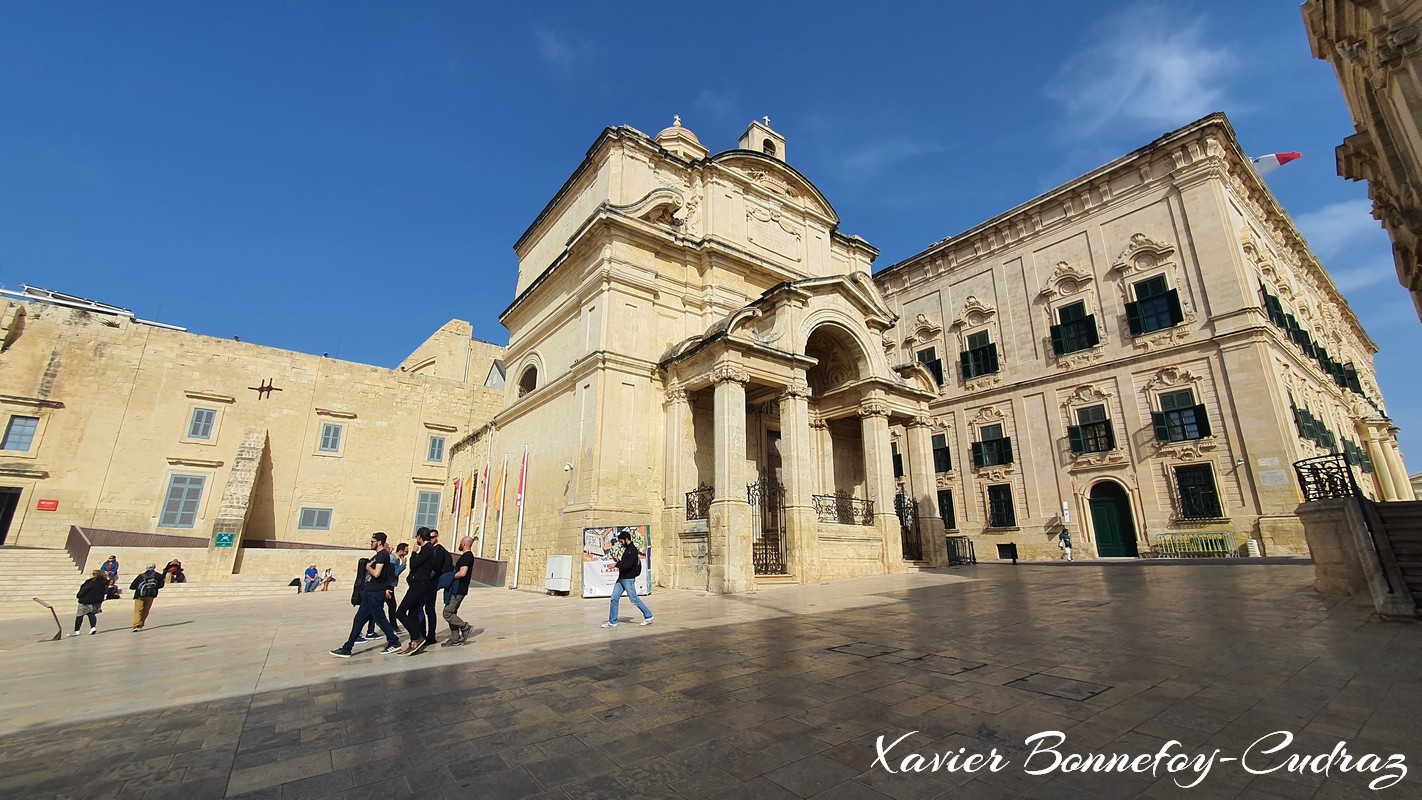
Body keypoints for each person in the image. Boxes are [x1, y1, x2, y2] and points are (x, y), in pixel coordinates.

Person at [330, 533, 402, 658]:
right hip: (370, 593)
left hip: (375, 593)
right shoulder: (377, 555)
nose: (371, 543)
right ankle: (347, 648)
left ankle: (394, 642)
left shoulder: (382, 555)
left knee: (380, 619)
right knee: (359, 620)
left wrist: (368, 567)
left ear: (379, 542)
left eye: (373, 541)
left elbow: (377, 573)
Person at [396, 528, 441, 655]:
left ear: (420, 537)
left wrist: (414, 553)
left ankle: (417, 637)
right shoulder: (429, 550)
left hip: (419, 585)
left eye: (417, 537)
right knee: (413, 613)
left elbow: (414, 564)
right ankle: (414, 643)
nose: (416, 539)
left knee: (400, 613)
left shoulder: (427, 549)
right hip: (419, 584)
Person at [601, 531, 652, 628]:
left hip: (628, 579)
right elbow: (624, 563)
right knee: (614, 598)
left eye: (621, 541)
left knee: (634, 599)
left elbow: (628, 565)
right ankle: (612, 621)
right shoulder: (627, 549)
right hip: (621, 578)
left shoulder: (633, 550)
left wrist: (615, 565)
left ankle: (648, 616)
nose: (620, 543)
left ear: (626, 540)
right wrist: (617, 561)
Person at [360, 542, 407, 641]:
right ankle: (390, 632)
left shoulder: (390, 558)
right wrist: (403, 564)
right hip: (386, 587)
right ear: (401, 551)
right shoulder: (392, 559)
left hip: (383, 587)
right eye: (406, 551)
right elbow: (394, 573)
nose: (407, 553)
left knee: (376, 610)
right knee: (380, 610)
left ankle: (370, 631)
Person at [441, 536, 476, 647]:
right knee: (452, 612)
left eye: (461, 542)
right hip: (458, 589)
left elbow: (463, 573)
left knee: (447, 613)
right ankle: (455, 639)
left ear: (464, 544)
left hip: (459, 589)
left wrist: (450, 577)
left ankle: (465, 627)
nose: (459, 544)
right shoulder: (467, 556)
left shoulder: (467, 557)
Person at [71, 569, 108, 636]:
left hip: (86, 600)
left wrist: (79, 595)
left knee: (79, 616)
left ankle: (77, 631)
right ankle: (93, 627)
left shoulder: (90, 582)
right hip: (96, 601)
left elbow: (84, 590)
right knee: (91, 614)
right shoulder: (103, 582)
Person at [129, 563, 165, 631]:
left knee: (138, 610)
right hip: (151, 595)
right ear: (154, 567)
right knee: (146, 610)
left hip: (139, 595)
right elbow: (161, 585)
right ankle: (141, 624)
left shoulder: (140, 576)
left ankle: (136, 625)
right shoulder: (158, 575)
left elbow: (132, 586)